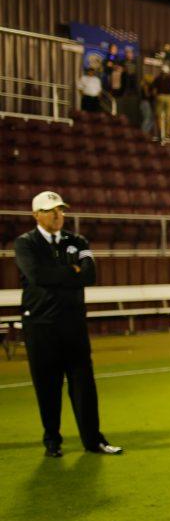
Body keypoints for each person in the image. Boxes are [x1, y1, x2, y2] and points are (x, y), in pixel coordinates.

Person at [14, 191, 121, 458]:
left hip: (73, 324)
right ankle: (52, 441)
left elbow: (89, 274)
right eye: (51, 211)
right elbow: (38, 275)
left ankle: (92, 439)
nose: (58, 215)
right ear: (36, 214)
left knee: (84, 384)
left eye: (60, 210)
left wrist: (64, 273)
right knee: (47, 385)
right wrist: (70, 271)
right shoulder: (25, 243)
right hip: (41, 326)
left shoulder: (77, 240)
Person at [152, 65, 170, 139]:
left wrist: (155, 98)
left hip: (160, 97)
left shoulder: (157, 79)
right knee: (168, 117)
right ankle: (167, 134)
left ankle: (160, 133)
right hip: (169, 98)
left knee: (159, 116)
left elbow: (154, 91)